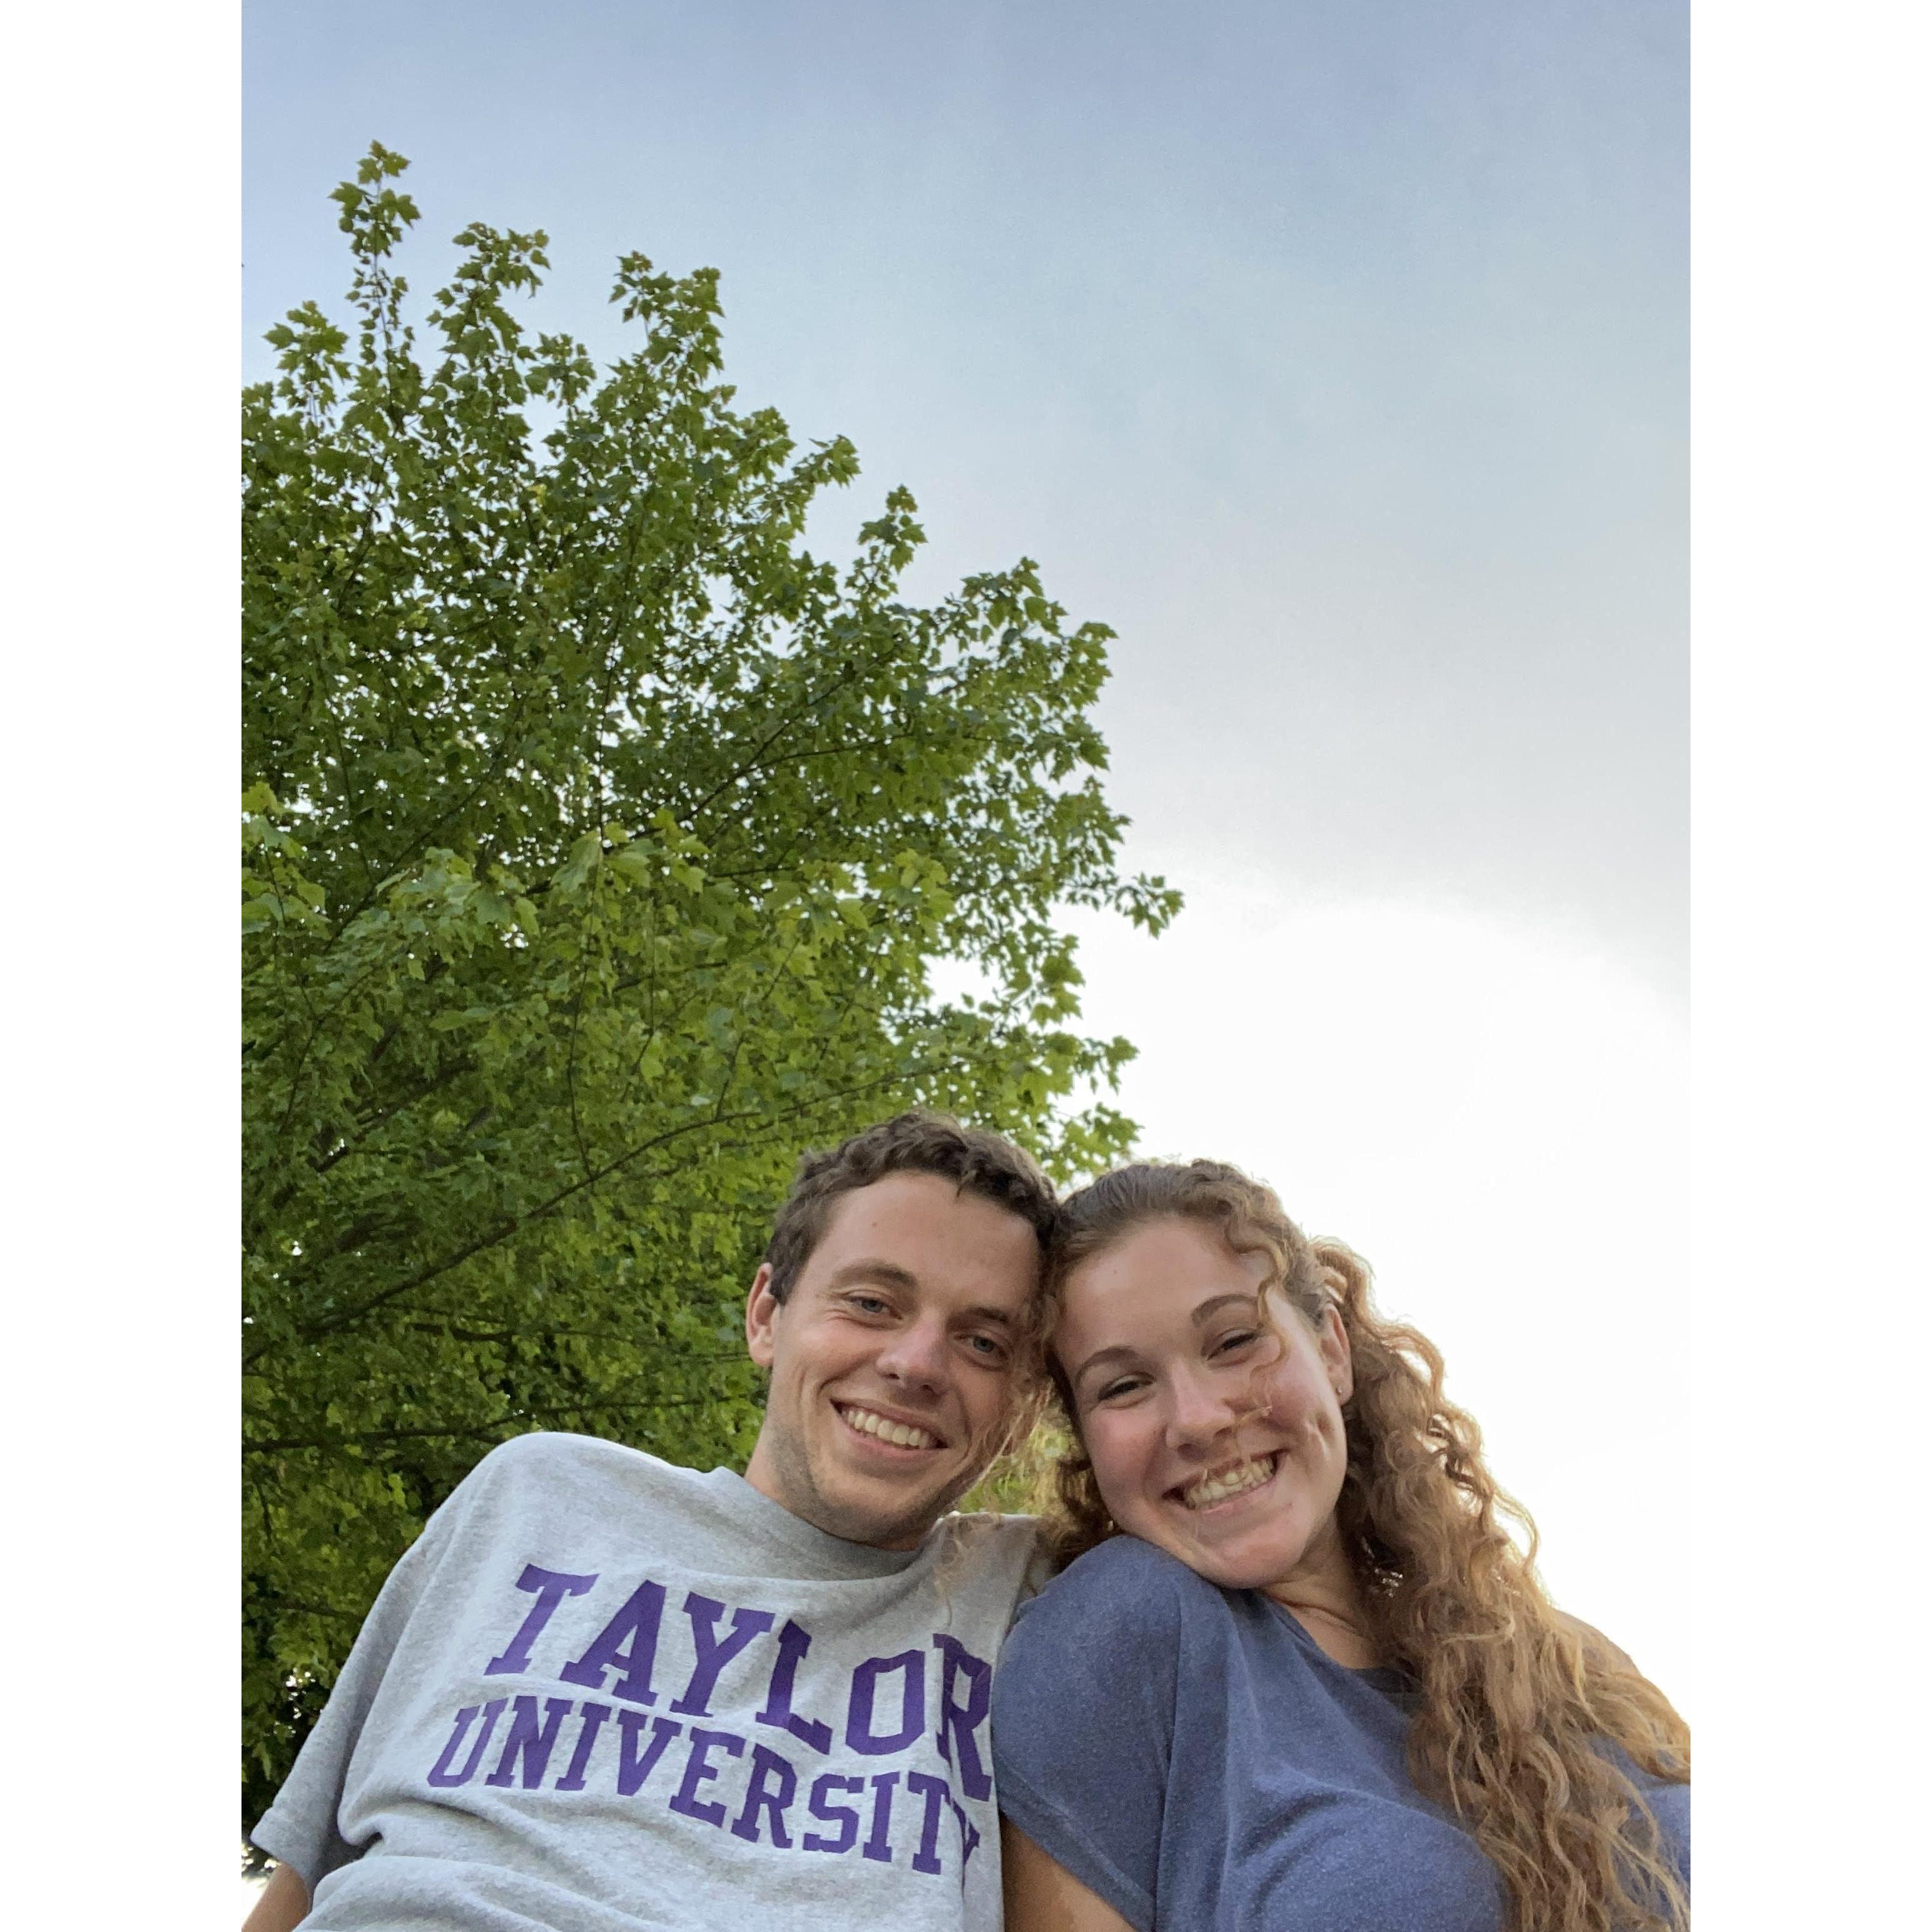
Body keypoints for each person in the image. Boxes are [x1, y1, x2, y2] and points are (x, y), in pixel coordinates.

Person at [246, 1111, 1057, 1932]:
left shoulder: (1044, 1604)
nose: (915, 1364)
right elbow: (307, 1877)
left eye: (984, 1343)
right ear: (766, 1316)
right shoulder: (535, 1497)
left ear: (1025, 1404)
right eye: (873, 1302)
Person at [991, 1160, 1690, 1932]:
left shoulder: (1568, 1660)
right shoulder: (1123, 1631)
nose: (1196, 1418)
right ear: (1087, 1440)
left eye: (1231, 1340)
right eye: (1122, 1386)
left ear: (1329, 1348)